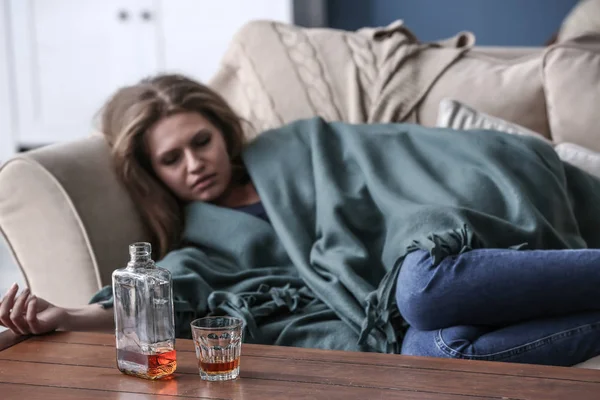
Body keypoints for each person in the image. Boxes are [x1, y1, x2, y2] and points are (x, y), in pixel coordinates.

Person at [2, 73, 600, 367]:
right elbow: (167, 296)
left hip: (412, 249)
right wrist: (63, 317)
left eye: (201, 141)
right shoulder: (199, 242)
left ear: (222, 130)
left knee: (419, 293)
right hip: (385, 323)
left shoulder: (296, 146)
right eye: (171, 159)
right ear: (152, 174)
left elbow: (393, 160)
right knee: (435, 355)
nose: (194, 164)